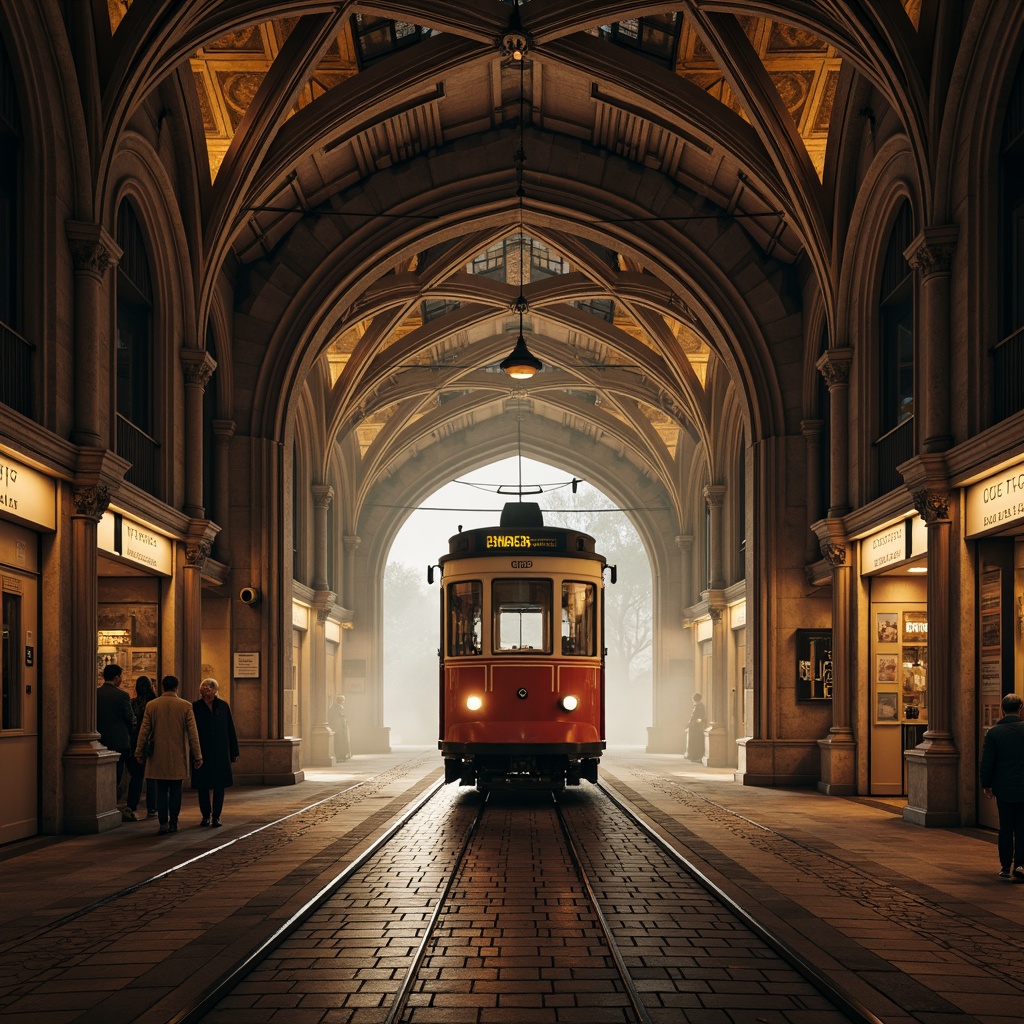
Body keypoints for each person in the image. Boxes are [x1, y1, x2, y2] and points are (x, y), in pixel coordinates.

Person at [135, 675, 202, 835]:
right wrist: (197, 755)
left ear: (162, 687)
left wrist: (139, 752)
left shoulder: (152, 705)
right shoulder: (186, 706)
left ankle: (163, 822)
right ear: (176, 687)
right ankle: (173, 822)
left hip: (158, 754)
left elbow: (144, 731)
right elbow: (193, 734)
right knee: (176, 790)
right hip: (178, 754)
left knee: (161, 789)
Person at [981, 692, 1024, 880]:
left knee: (1005, 827)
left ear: (1002, 709)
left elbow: (987, 761)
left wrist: (987, 784)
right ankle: (1021, 864)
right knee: (1022, 827)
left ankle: (1005, 866)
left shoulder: (994, 733)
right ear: (1021, 708)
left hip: (1004, 787)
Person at [191, 678, 239, 827]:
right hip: (202, 751)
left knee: (220, 785)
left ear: (215, 690)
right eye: (204, 687)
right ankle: (205, 815)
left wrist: (234, 751)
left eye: (210, 687)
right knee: (203, 785)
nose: (206, 689)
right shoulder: (195, 707)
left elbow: (230, 729)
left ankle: (216, 816)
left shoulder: (223, 706)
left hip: (220, 751)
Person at [96, 663, 135, 802]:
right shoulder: (122, 695)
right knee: (117, 775)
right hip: (119, 742)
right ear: (117, 677)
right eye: (121, 676)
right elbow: (130, 718)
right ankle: (112, 802)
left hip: (100, 741)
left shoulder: (95, 694)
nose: (122, 679)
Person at [124, 676, 157, 821]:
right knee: (152, 777)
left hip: (134, 742)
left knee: (136, 776)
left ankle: (131, 805)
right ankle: (152, 808)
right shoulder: (155, 703)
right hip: (152, 743)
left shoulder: (132, 703)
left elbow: (130, 722)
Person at [328, 694, 352, 760]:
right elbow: (332, 718)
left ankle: (343, 755)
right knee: (340, 742)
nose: (342, 701)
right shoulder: (335, 708)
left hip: (342, 726)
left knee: (343, 741)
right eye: (341, 700)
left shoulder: (339, 707)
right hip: (339, 727)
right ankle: (341, 755)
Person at [686, 692, 706, 762]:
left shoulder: (700, 706)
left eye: (694, 698)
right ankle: (693, 756)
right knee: (693, 741)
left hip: (697, 727)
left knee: (697, 741)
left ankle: (696, 756)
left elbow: (701, 717)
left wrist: (695, 722)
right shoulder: (696, 706)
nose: (693, 699)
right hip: (693, 726)